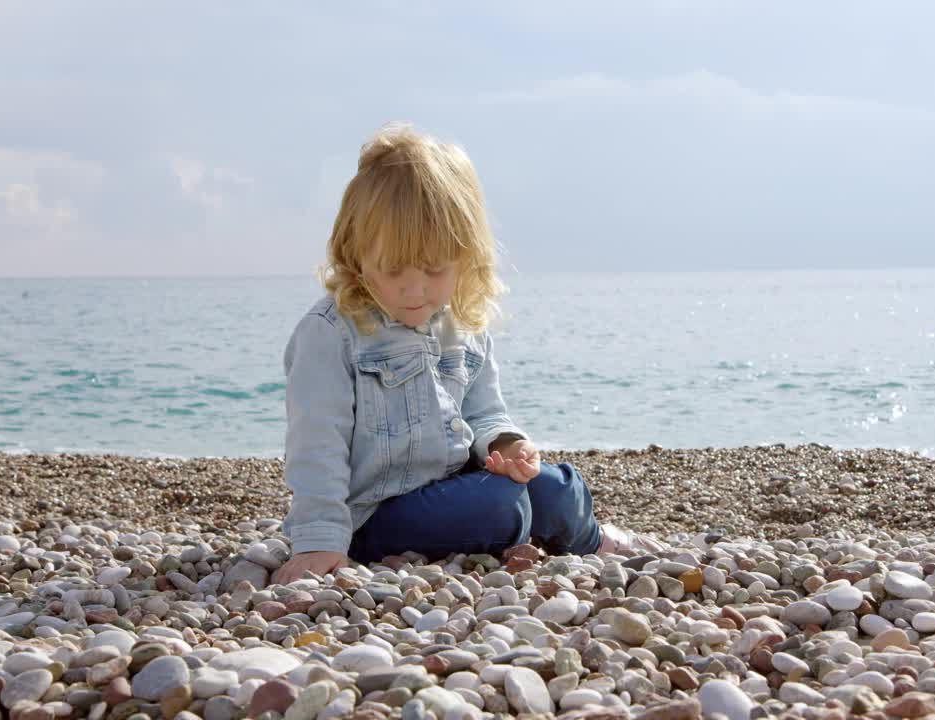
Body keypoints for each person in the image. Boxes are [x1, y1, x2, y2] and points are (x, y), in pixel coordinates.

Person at [272, 123, 663, 584]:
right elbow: (317, 446)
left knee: (557, 488)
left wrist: (506, 446)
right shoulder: (332, 334)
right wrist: (321, 541)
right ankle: (516, 535)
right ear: (356, 253)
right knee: (501, 505)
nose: (414, 290)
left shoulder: (463, 326)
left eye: (435, 270)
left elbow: (486, 412)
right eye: (393, 268)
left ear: (466, 257)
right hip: (374, 515)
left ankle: (590, 541)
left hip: (455, 487)